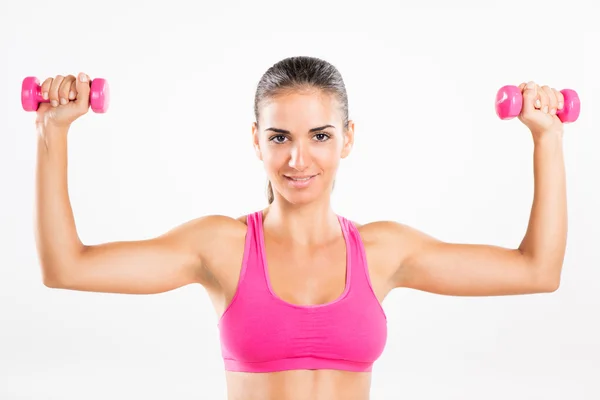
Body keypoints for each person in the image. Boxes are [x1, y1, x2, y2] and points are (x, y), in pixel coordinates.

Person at [34, 56, 567, 400]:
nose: (298, 158)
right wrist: (51, 134)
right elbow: (67, 267)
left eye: (319, 135)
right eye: (280, 137)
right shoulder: (220, 247)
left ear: (347, 138)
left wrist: (548, 139)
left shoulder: (384, 251)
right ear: (257, 140)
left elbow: (537, 271)